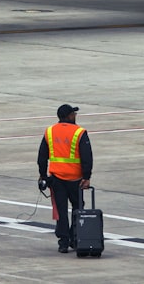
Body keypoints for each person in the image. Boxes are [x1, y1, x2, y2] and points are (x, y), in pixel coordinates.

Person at [37, 103, 92, 253]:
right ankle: (75, 239)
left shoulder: (49, 131)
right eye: (73, 114)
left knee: (60, 211)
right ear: (68, 116)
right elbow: (87, 156)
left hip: (57, 179)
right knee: (78, 208)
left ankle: (63, 242)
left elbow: (42, 156)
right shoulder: (79, 132)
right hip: (76, 179)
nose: (75, 116)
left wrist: (43, 175)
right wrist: (86, 177)